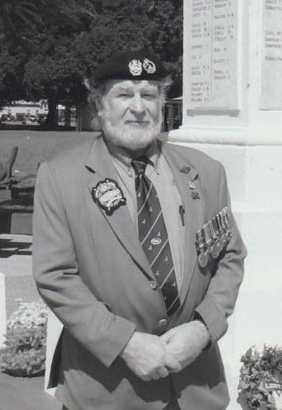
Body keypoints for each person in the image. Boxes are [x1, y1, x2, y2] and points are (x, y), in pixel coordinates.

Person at [32, 49, 246, 410]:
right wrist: (126, 344)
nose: (138, 107)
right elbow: (56, 276)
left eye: (148, 95)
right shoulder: (60, 176)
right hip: (107, 389)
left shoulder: (205, 172)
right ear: (99, 106)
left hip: (195, 385)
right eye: (123, 95)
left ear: (162, 105)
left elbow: (229, 256)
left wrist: (203, 329)